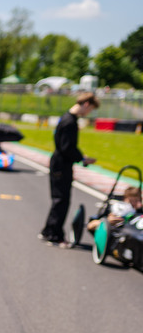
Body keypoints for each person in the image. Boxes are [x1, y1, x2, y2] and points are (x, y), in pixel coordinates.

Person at [39, 91, 99, 246]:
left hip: (60, 162)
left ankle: (48, 230)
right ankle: (54, 234)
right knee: (61, 200)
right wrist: (82, 158)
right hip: (61, 164)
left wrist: (79, 156)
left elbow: (67, 146)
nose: (88, 113)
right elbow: (66, 148)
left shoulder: (67, 118)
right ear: (86, 104)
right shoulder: (70, 121)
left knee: (58, 199)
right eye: (90, 109)